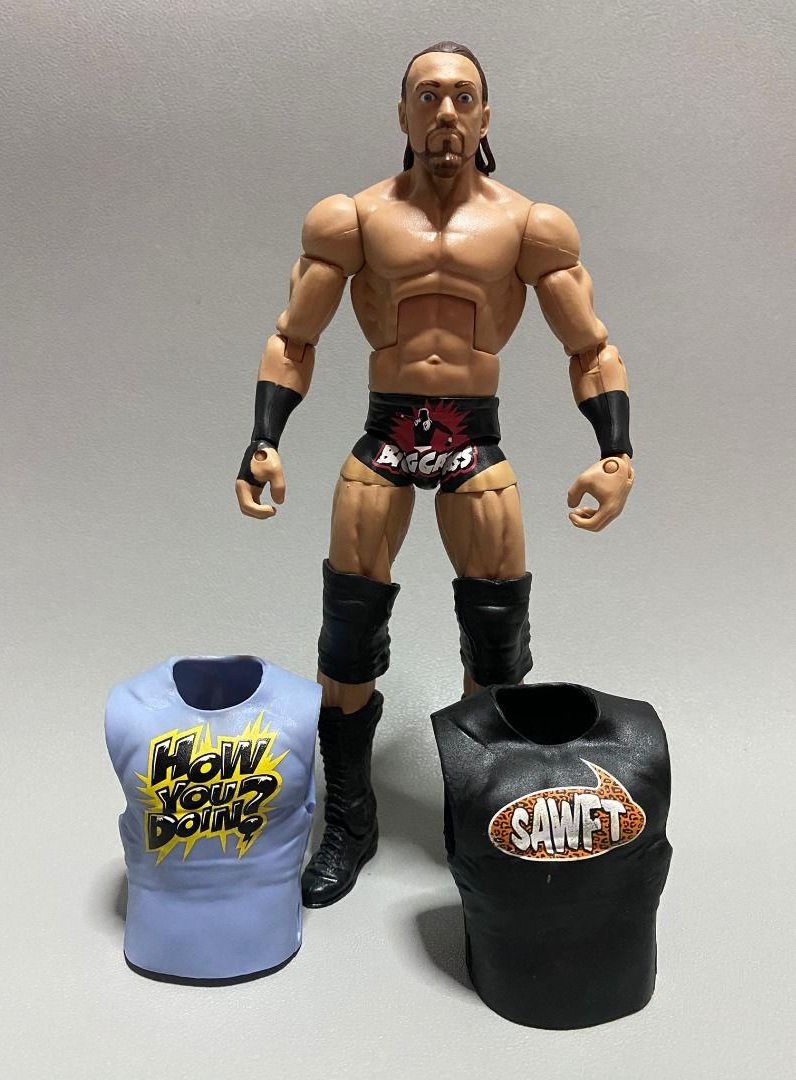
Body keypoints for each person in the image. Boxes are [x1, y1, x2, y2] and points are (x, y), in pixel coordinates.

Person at [235, 42, 635, 907]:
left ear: (485, 117)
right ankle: (350, 818)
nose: (446, 112)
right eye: (428, 96)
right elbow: (293, 337)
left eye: (462, 97)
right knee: (347, 628)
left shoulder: (530, 226)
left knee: (497, 637)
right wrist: (263, 437)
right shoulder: (352, 219)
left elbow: (590, 347)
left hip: (471, 437)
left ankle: (480, 812)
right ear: (403, 114)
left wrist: (616, 451)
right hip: (386, 432)